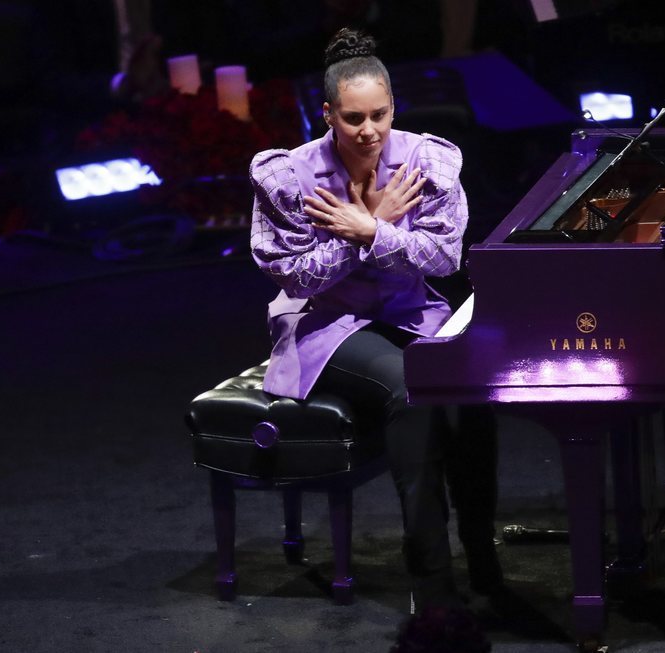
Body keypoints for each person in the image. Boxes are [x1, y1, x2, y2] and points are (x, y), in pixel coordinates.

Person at [249, 27, 502, 610]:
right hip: (324, 322)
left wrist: (374, 229)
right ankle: (433, 583)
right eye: (354, 118)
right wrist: (362, 237)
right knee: (413, 390)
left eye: (380, 115)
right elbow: (296, 277)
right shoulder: (286, 175)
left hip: (411, 309)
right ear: (328, 113)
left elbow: (445, 258)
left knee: (472, 392)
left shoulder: (426, 160)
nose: (369, 131)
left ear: (394, 107)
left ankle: (481, 551)